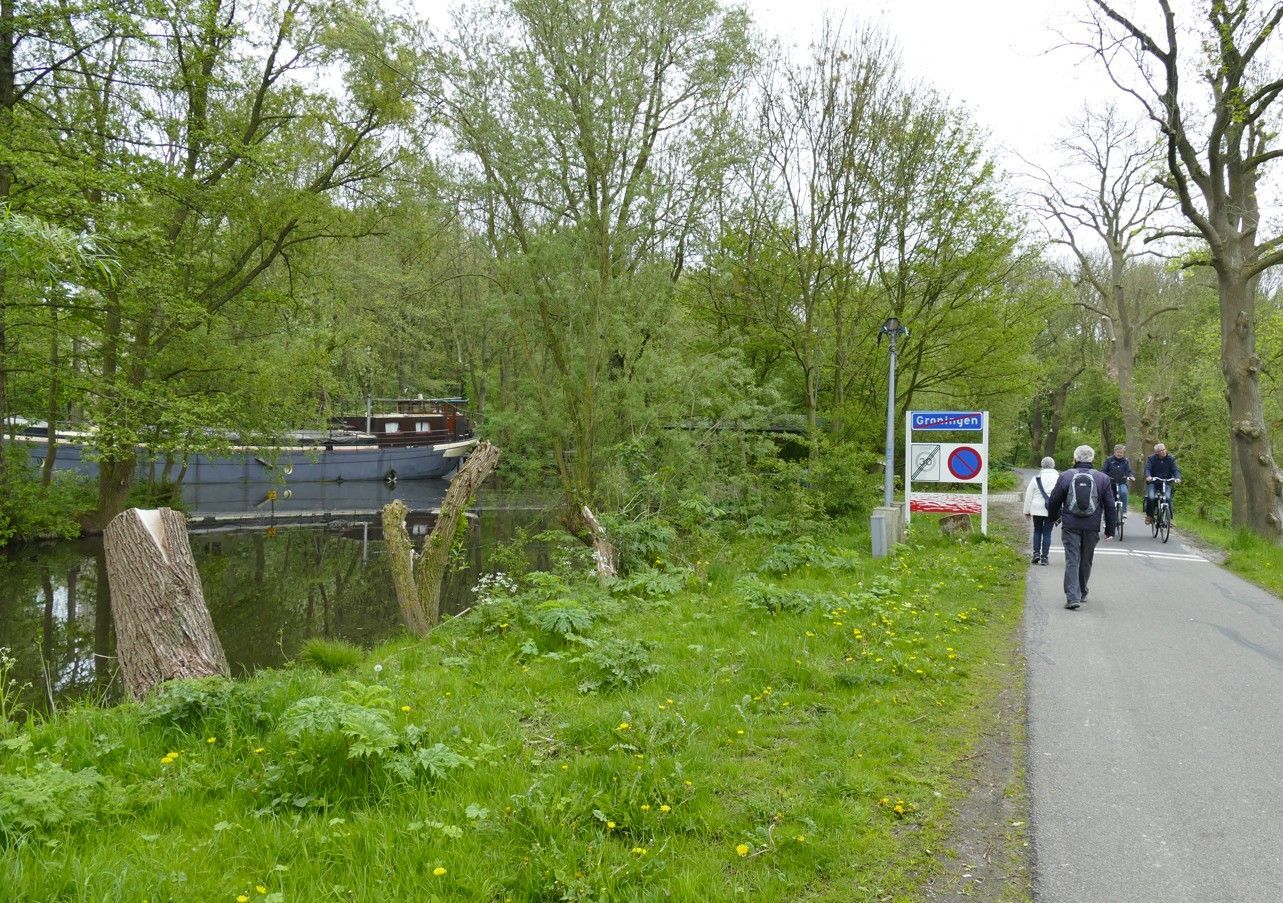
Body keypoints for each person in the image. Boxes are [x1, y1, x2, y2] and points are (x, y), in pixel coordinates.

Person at [1046, 445, 1117, 611]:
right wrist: (1110, 529)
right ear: (1092, 459)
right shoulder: (1102, 478)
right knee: (1086, 559)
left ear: (1075, 458)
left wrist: (1053, 518)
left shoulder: (1065, 476)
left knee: (1072, 560)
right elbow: (1110, 506)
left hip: (1071, 525)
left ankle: (1072, 597)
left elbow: (1054, 500)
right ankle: (1083, 592)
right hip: (1092, 526)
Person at [1023, 456, 1060, 565]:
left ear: (1042, 465)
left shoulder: (1036, 479)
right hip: (1052, 509)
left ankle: (1036, 554)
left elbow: (1029, 496)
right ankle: (1044, 558)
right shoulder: (1059, 478)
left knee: (1037, 530)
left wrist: (1026, 510)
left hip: (1037, 508)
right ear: (1053, 465)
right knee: (1047, 533)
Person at [1143, 443, 1182, 524]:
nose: (1163, 451)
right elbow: (1147, 469)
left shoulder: (1171, 459)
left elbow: (1175, 469)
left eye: (1164, 449)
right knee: (1151, 497)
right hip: (1153, 482)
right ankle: (1149, 515)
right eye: (1161, 451)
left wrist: (1177, 477)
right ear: (1157, 452)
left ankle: (1169, 519)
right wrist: (1148, 476)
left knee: (1167, 498)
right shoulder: (1151, 459)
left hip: (1166, 482)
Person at [1101, 444, 1134, 517]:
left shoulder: (1126, 461)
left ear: (1123, 453)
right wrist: (1105, 476)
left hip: (1122, 481)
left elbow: (1128, 471)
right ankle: (1105, 519)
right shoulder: (1109, 460)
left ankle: (1124, 512)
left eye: (1121, 453)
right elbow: (1103, 471)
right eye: (1118, 452)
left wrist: (1131, 476)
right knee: (1109, 499)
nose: (1119, 454)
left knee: (1124, 492)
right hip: (1111, 483)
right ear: (1114, 452)